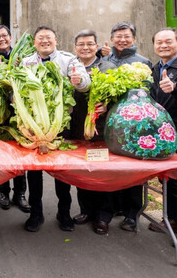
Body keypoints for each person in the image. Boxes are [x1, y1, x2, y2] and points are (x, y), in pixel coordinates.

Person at [20, 26, 90, 232]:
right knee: (33, 172)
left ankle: (64, 212)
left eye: (48, 38)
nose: (44, 41)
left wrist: (79, 82)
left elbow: (85, 83)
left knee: (61, 171)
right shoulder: (26, 62)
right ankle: (36, 213)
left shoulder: (68, 60)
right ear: (34, 42)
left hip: (60, 125)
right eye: (40, 38)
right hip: (34, 127)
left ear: (56, 40)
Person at [102, 22, 152, 232]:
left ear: (134, 39)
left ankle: (132, 213)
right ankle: (113, 208)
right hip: (110, 122)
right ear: (112, 39)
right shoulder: (104, 60)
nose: (122, 40)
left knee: (132, 168)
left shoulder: (143, 62)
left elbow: (149, 92)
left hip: (134, 124)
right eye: (118, 36)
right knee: (111, 167)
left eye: (126, 36)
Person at [69, 29, 117, 235]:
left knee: (102, 172)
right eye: (81, 44)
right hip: (76, 126)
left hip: (100, 128)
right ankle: (86, 210)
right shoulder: (70, 68)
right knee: (83, 170)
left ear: (96, 46)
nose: (85, 47)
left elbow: (120, 95)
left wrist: (108, 105)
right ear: (75, 48)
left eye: (89, 43)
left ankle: (103, 216)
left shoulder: (107, 67)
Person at [149, 27, 177, 249]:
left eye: (168, 41)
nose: (163, 45)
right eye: (159, 42)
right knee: (170, 180)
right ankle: (175, 220)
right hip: (165, 133)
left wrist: (176, 87)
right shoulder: (156, 68)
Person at [0, 25, 30, 213]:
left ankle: (20, 194)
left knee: (19, 155)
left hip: (19, 113)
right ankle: (3, 192)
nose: (1, 39)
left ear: (11, 38)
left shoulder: (23, 58)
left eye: (4, 36)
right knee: (1, 155)